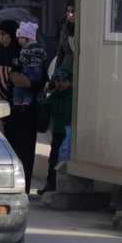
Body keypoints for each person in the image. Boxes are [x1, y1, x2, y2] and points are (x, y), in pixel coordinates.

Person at [5, 21, 47, 195]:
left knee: (24, 150)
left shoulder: (25, 54)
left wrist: (19, 77)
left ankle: (22, 188)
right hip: (21, 109)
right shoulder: (38, 52)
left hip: (25, 109)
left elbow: (32, 80)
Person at [39, 67, 73, 195]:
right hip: (58, 133)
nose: (60, 83)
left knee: (64, 161)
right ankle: (50, 184)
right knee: (53, 159)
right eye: (58, 80)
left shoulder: (72, 96)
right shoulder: (55, 95)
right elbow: (45, 108)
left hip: (69, 134)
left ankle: (61, 186)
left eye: (63, 81)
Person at [55, 1, 75, 72]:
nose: (70, 14)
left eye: (73, 11)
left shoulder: (81, 29)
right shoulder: (64, 29)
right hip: (66, 68)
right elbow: (60, 54)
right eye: (68, 11)